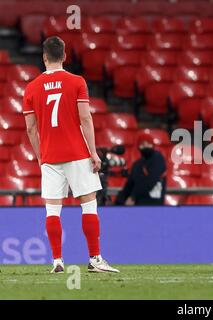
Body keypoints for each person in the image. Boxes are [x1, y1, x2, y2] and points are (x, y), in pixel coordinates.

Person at [23, 36, 119, 273]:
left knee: (53, 209)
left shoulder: (31, 87)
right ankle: (95, 259)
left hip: (50, 156)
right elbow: (85, 118)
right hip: (77, 152)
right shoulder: (77, 81)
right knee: (88, 204)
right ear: (64, 56)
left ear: (44, 57)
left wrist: (39, 155)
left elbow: (30, 128)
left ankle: (57, 261)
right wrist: (94, 152)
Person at [115, 132, 167, 206]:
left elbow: (151, 181)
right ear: (138, 147)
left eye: (148, 143)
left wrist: (133, 197)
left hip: (154, 204)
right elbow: (129, 185)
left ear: (152, 145)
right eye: (142, 144)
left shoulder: (158, 159)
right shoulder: (137, 164)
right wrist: (119, 201)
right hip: (137, 204)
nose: (145, 146)